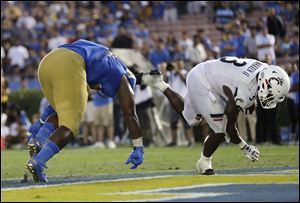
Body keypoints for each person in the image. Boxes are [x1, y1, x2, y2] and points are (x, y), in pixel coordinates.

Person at [137, 56, 290, 175]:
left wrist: (252, 101)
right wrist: (245, 148)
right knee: (220, 129)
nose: (271, 98)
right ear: (265, 83)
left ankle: (159, 83)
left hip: (205, 70)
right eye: (271, 94)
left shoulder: (263, 68)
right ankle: (204, 162)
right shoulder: (242, 91)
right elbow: (230, 128)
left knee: (190, 118)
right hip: (204, 81)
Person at [25, 39, 144, 182]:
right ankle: (38, 162)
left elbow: (60, 103)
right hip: (70, 62)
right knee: (71, 125)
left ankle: (39, 139)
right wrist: (138, 147)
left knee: (65, 110)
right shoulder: (123, 78)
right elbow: (130, 113)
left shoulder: (101, 63)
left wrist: (41, 121)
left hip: (48, 61)